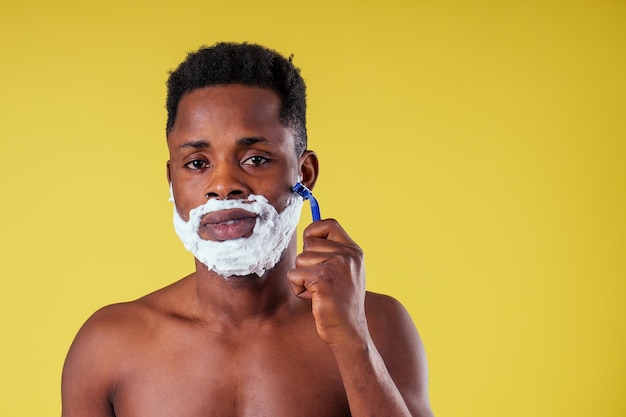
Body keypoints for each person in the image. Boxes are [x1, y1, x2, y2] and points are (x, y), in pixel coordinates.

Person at [61, 42, 435, 417]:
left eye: (254, 159)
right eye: (196, 163)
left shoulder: (379, 325)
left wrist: (353, 341)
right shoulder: (107, 346)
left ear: (304, 174)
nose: (223, 185)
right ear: (171, 180)